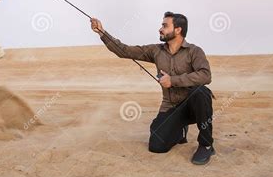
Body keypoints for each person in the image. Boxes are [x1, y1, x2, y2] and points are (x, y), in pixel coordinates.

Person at [91, 12, 215, 165]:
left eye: (164, 25)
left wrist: (173, 80)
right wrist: (102, 33)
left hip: (194, 107)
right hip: (171, 106)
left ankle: (206, 144)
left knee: (201, 92)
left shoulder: (194, 51)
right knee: (156, 146)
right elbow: (124, 50)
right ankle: (180, 130)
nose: (160, 29)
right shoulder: (156, 51)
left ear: (178, 30)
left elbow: (206, 76)